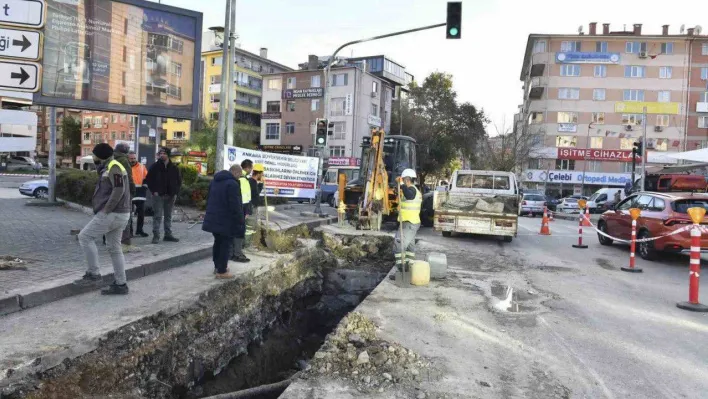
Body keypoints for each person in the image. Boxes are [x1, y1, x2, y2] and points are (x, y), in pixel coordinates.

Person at [73, 143, 132, 295]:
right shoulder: (109, 167)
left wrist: (107, 209)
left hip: (112, 213)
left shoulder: (114, 166)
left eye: (94, 154)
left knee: (85, 237)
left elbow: (119, 189)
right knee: (114, 248)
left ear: (99, 156)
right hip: (121, 213)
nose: (92, 157)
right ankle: (121, 284)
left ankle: (94, 274)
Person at [202, 165, 244, 279]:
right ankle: (222, 271)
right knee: (226, 245)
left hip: (213, 218)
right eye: (239, 175)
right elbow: (235, 205)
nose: (239, 178)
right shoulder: (232, 184)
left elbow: (209, 199)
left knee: (218, 242)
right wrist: (240, 220)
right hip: (226, 220)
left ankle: (217, 267)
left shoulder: (214, 181)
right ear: (235, 173)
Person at [146, 147, 182, 244]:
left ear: (168, 155)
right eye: (160, 153)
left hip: (170, 195)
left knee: (168, 215)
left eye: (164, 153)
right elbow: (148, 180)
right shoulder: (154, 166)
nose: (162, 155)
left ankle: (168, 234)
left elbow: (178, 182)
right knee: (157, 216)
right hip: (158, 196)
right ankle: (156, 236)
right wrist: (154, 191)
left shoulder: (174, 168)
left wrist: (175, 193)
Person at [394, 169, 422, 271]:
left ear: (407, 179)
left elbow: (409, 195)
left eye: (403, 179)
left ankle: (402, 272)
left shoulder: (412, 190)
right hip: (410, 222)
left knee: (399, 244)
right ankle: (409, 270)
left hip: (409, 223)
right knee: (410, 248)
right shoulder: (413, 190)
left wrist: (401, 184)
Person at [231, 159, 253, 262]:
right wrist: (246, 211)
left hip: (241, 208)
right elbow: (243, 197)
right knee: (239, 231)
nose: (251, 170)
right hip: (241, 208)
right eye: (251, 168)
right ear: (247, 168)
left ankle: (235, 253)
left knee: (236, 230)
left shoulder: (242, 178)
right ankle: (237, 254)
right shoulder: (242, 178)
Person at [114, 143, 135, 245]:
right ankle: (125, 241)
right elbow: (128, 177)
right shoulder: (124, 160)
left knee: (114, 215)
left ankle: (111, 239)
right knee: (126, 216)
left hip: (113, 191)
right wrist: (132, 189)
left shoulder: (112, 159)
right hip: (124, 192)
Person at [128, 151, 149, 237]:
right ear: (128, 159)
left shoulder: (141, 166)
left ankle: (139, 230)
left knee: (141, 213)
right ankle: (130, 232)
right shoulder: (125, 167)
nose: (133, 160)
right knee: (128, 214)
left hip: (140, 193)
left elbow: (146, 177)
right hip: (129, 193)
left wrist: (145, 186)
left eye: (134, 158)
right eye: (131, 158)